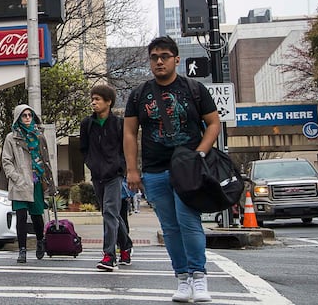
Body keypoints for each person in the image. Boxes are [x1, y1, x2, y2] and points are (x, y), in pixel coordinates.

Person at [124, 35, 220, 303]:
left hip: (188, 169)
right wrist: (132, 170)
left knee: (189, 222)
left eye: (164, 56)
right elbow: (130, 133)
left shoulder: (194, 89)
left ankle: (199, 277)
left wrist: (200, 153)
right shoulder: (139, 94)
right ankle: (182, 278)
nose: (159, 61)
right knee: (170, 227)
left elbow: (213, 123)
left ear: (176, 59)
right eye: (154, 57)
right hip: (154, 170)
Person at [79, 85, 133, 271]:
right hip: (97, 175)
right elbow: (83, 148)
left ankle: (109, 255)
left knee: (110, 213)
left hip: (114, 175)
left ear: (108, 102)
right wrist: (91, 163)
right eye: (92, 98)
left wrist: (122, 167)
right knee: (111, 214)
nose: (94, 102)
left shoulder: (119, 123)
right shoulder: (87, 124)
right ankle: (126, 245)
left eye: (98, 99)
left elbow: (126, 148)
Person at [1, 104, 57, 263]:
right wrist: (15, 176)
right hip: (19, 182)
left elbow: (45, 159)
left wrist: (48, 180)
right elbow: (6, 160)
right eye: (24, 115)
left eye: (29, 115)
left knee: (37, 216)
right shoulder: (11, 137)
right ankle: (22, 250)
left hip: (35, 180)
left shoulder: (39, 136)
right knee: (20, 216)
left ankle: (40, 240)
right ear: (18, 118)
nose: (27, 118)